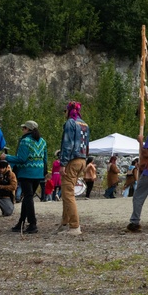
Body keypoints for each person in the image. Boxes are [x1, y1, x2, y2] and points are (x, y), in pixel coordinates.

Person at [4, 120, 47, 234]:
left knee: (28, 197)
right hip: (38, 173)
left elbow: (21, 159)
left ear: (27, 129)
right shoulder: (42, 141)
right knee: (28, 198)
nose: (22, 130)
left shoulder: (25, 141)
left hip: (27, 172)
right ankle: (21, 222)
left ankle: (32, 223)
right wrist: (44, 172)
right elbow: (45, 159)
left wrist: (6, 157)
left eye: (23, 128)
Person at [58, 101, 90, 235]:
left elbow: (67, 144)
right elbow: (87, 144)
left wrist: (63, 163)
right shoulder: (84, 124)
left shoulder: (70, 123)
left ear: (69, 111)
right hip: (82, 159)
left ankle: (74, 226)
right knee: (67, 192)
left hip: (72, 160)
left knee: (68, 193)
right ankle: (64, 223)